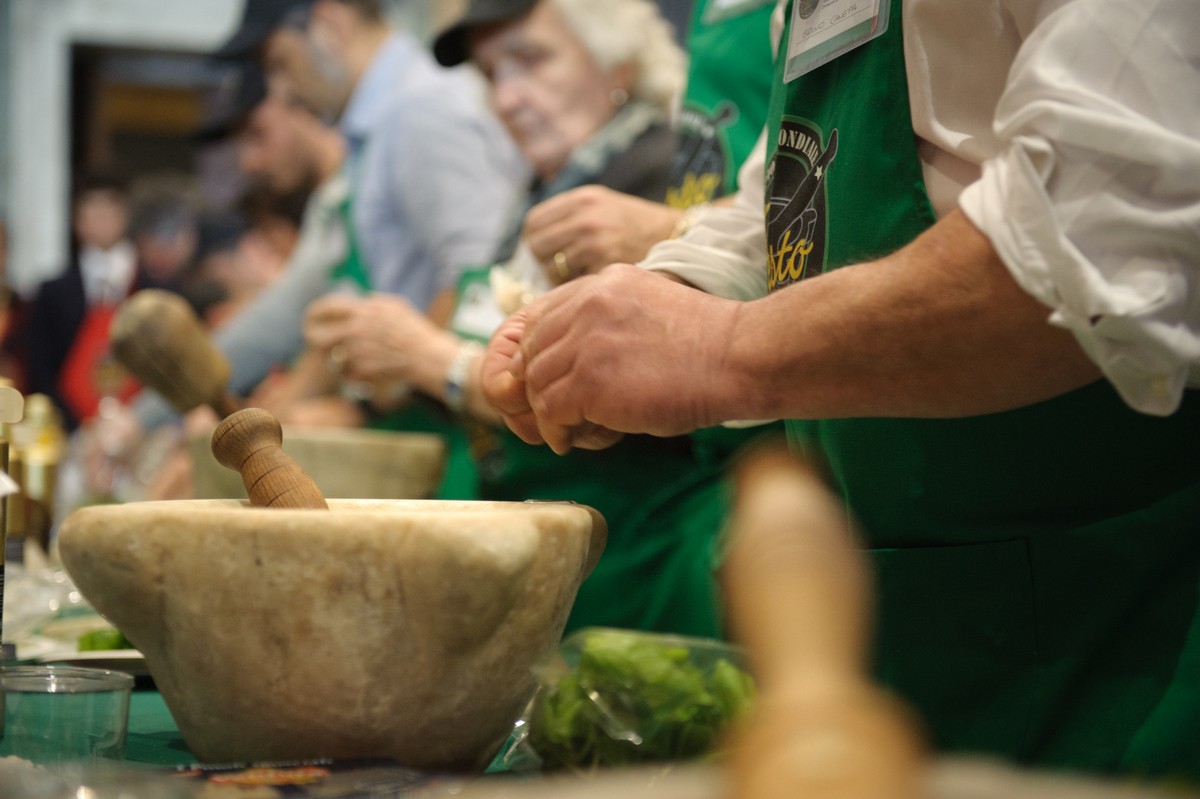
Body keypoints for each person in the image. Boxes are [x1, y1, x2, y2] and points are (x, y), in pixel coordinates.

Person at [483, 0, 1200, 780]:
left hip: (1122, 637)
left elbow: (1115, 238)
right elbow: (785, 201)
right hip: (919, 623)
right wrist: (633, 313)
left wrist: (716, 347)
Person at [302, 0, 728, 639]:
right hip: (539, 567)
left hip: (629, 567)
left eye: (531, 60)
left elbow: (612, 385)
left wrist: (431, 358)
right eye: (491, 73)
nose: (508, 97)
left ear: (617, 60)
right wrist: (391, 378)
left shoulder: (658, 176)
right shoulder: (537, 197)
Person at [229, 0, 528, 318]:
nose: (282, 91)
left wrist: (418, 359)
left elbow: (478, 276)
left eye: (280, 65)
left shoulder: (419, 108)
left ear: (329, 26)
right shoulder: (380, 121)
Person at [25, 174, 171, 430]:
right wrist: (72, 426)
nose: (102, 217)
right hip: (69, 430)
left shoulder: (156, 291)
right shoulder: (51, 294)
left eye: (111, 207)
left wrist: (141, 420)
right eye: (92, 207)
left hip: (140, 430)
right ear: (76, 219)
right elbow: (40, 370)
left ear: (126, 215)